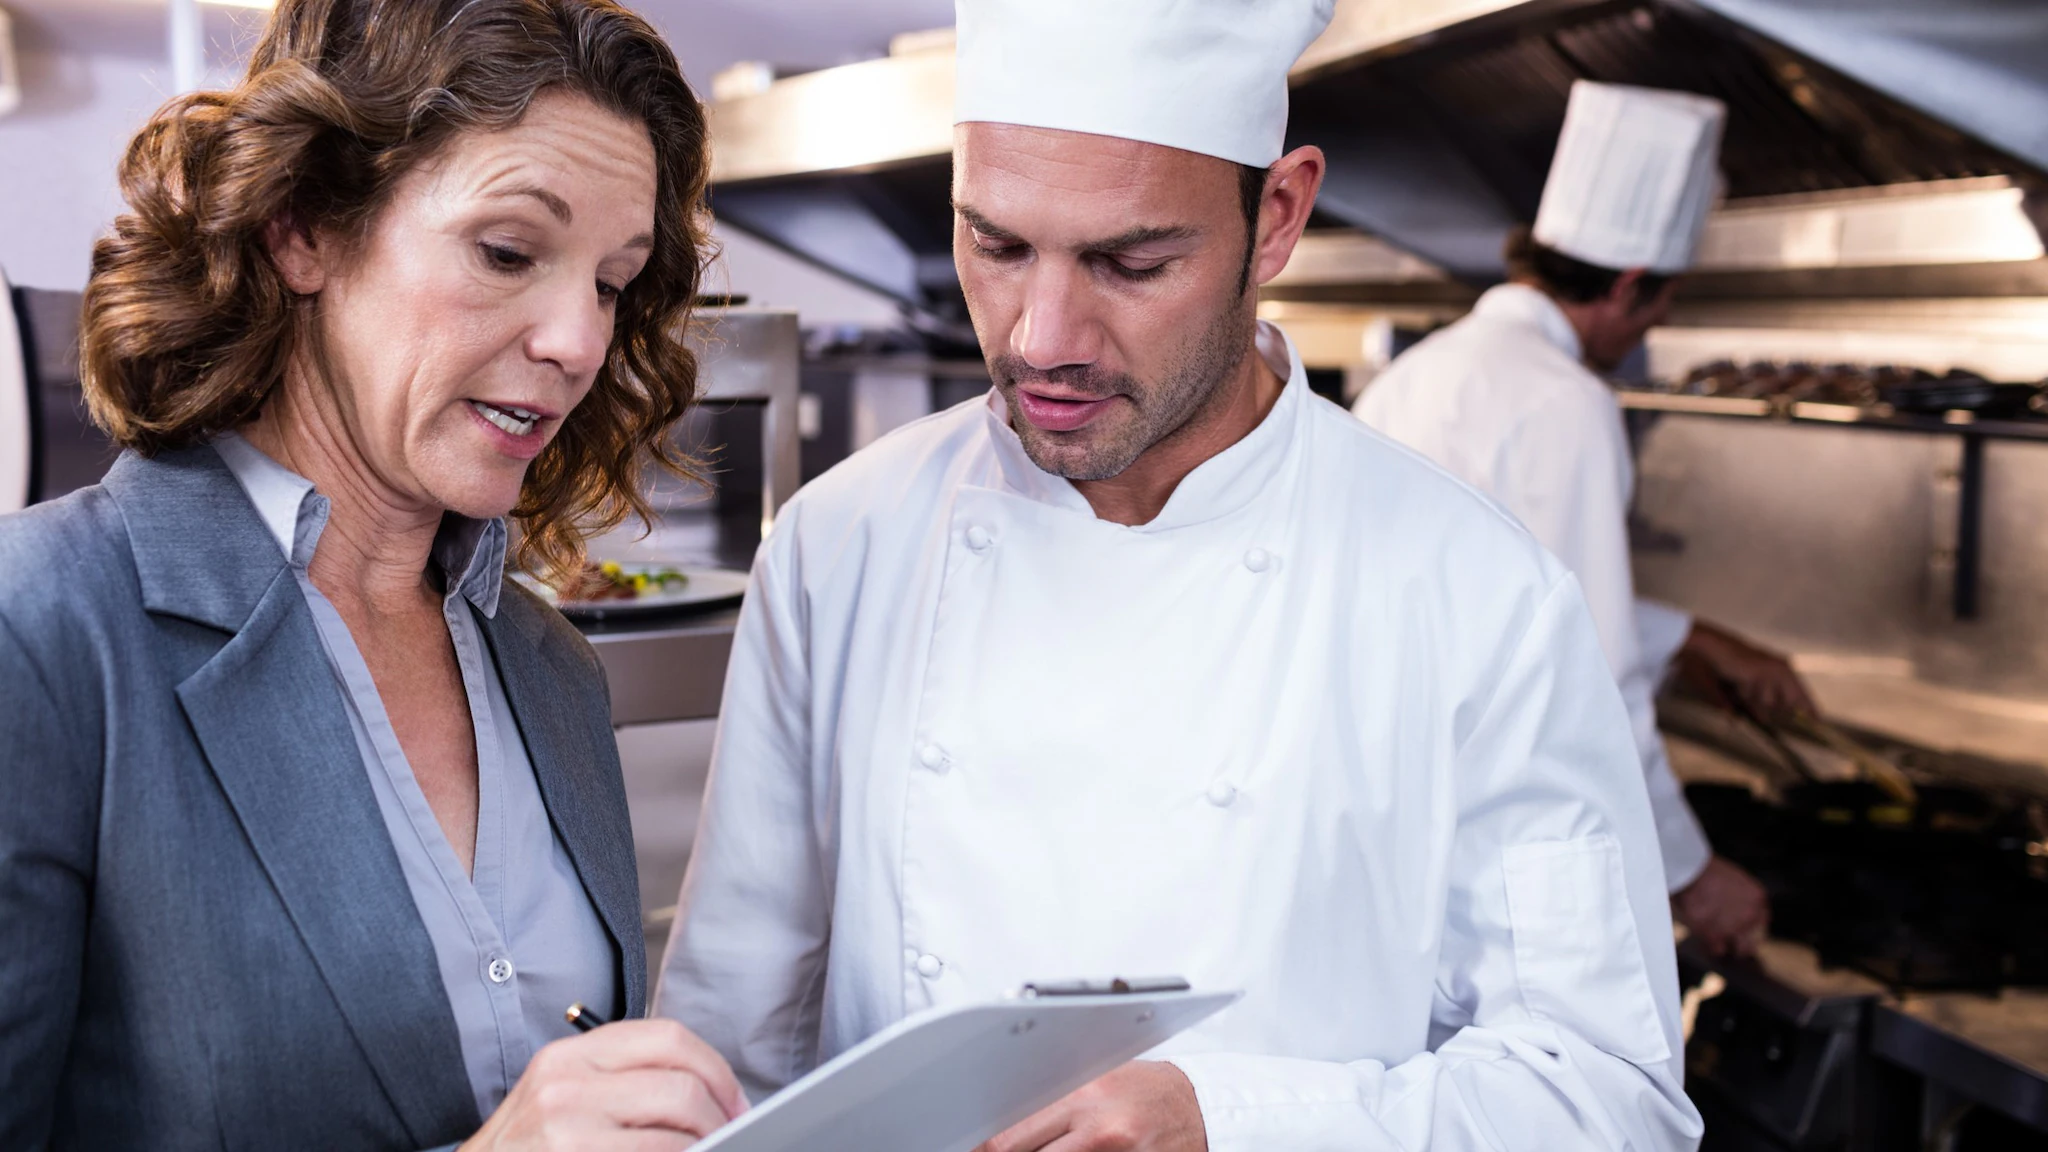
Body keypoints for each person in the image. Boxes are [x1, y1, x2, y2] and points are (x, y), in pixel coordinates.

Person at [657, 1, 1703, 1148]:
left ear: (1277, 218)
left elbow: (1607, 1097)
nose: (1041, 336)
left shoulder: (1475, 596)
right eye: (996, 245)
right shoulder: (836, 547)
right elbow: (720, 1060)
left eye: (1130, 260)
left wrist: (1236, 1126)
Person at [0, 2, 746, 1147]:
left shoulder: (550, 670)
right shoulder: (42, 634)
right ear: (302, 228)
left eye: (609, 282)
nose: (578, 342)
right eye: (508, 252)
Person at [1356, 81, 1816, 960]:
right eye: (1666, 299)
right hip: (1490, 838)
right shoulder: (1565, 401)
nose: (1665, 319)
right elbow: (1589, 671)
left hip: (1395, 817)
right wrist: (1688, 873)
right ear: (1632, 286)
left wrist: (1691, 640)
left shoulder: (1423, 372)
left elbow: (1495, 604)